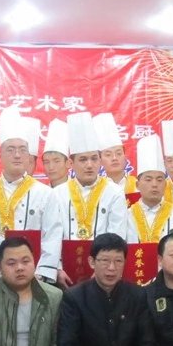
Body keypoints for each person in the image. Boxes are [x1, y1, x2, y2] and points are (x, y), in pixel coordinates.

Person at [0, 106, 63, 283]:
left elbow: (52, 235)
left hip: (34, 278)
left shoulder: (45, 194)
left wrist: (41, 274)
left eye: (22, 149)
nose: (17, 155)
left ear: (29, 155)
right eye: (11, 149)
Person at [53, 112, 127, 287]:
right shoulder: (57, 194)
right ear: (71, 163)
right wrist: (57, 268)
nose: (89, 165)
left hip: (103, 274)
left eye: (94, 158)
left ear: (100, 161)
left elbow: (117, 235)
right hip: (63, 274)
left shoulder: (114, 192)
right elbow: (52, 234)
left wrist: (103, 270)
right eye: (83, 159)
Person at [127, 135, 173, 253]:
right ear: (137, 185)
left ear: (165, 184)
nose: (154, 184)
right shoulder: (126, 216)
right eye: (148, 179)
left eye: (159, 180)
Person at [94, 113, 137, 193]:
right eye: (108, 155)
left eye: (119, 153)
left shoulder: (138, 187)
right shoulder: (95, 191)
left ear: (125, 156)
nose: (114, 158)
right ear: (100, 160)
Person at [41, 118, 70, 188]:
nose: (51, 167)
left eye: (56, 161)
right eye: (46, 162)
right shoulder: (41, 193)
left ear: (68, 163)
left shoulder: (79, 192)